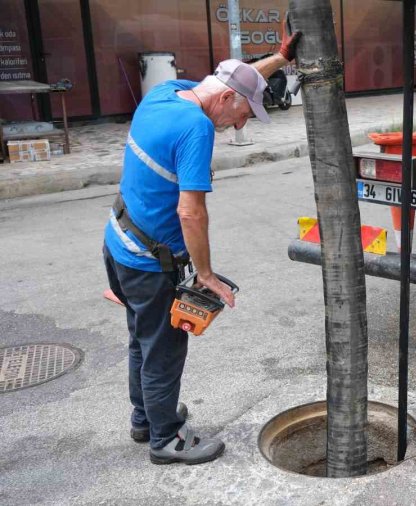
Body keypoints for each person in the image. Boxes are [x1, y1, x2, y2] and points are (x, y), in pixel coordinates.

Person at [103, 27, 300, 465]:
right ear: (227, 100)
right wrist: (205, 274)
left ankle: (145, 419)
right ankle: (166, 439)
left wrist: (280, 58)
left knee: (142, 338)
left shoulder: (166, 94)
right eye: (246, 112)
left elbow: (236, 75)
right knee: (164, 350)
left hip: (118, 240)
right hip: (150, 261)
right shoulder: (196, 129)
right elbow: (191, 213)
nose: (242, 123)